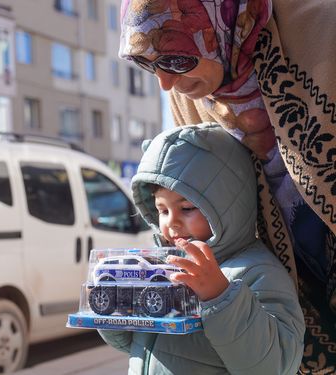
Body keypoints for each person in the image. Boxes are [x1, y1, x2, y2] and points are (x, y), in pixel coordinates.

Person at [118, 0, 336, 370]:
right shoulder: (186, 91)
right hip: (285, 272)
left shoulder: (323, 33)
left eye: (176, 60)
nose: (165, 82)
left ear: (222, 22)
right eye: (146, 63)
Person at [99, 123, 305, 374]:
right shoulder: (162, 267)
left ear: (227, 204)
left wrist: (221, 297)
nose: (171, 222)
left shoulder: (257, 272)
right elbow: (134, 345)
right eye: (162, 210)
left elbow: (276, 365)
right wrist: (113, 308)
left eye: (186, 208)